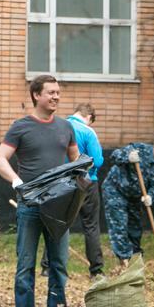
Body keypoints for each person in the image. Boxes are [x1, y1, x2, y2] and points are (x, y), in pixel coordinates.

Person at [0, 74, 81, 307]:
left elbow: (75, 162)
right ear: (36, 95)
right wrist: (17, 182)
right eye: (50, 92)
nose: (56, 96)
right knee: (26, 263)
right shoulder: (21, 127)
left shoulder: (66, 127)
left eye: (58, 92)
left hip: (59, 208)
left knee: (59, 263)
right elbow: (0, 160)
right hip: (30, 206)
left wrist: (77, 185)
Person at [39, 103, 105, 278]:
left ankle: (47, 266)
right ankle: (96, 270)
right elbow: (97, 161)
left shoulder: (58, 127)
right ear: (89, 117)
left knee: (58, 223)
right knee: (91, 225)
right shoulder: (88, 132)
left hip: (61, 183)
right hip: (87, 183)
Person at [101, 135, 154, 263]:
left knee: (135, 228)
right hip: (116, 190)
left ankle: (136, 260)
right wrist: (128, 157)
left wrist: (151, 196)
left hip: (135, 197)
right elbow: (114, 155)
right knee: (120, 225)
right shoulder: (139, 149)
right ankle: (124, 261)